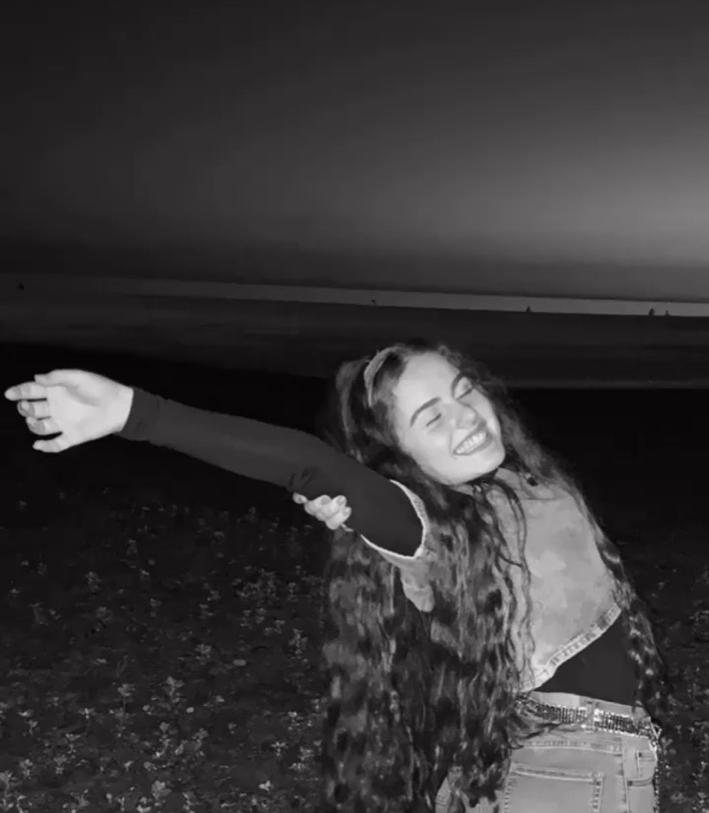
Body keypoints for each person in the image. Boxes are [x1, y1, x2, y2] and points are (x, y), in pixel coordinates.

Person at [4, 340, 666, 813]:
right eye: (430, 417)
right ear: (398, 457)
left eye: (464, 392)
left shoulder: (525, 487)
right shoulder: (428, 528)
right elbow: (311, 464)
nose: (464, 417)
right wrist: (135, 412)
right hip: (566, 772)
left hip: (556, 768)